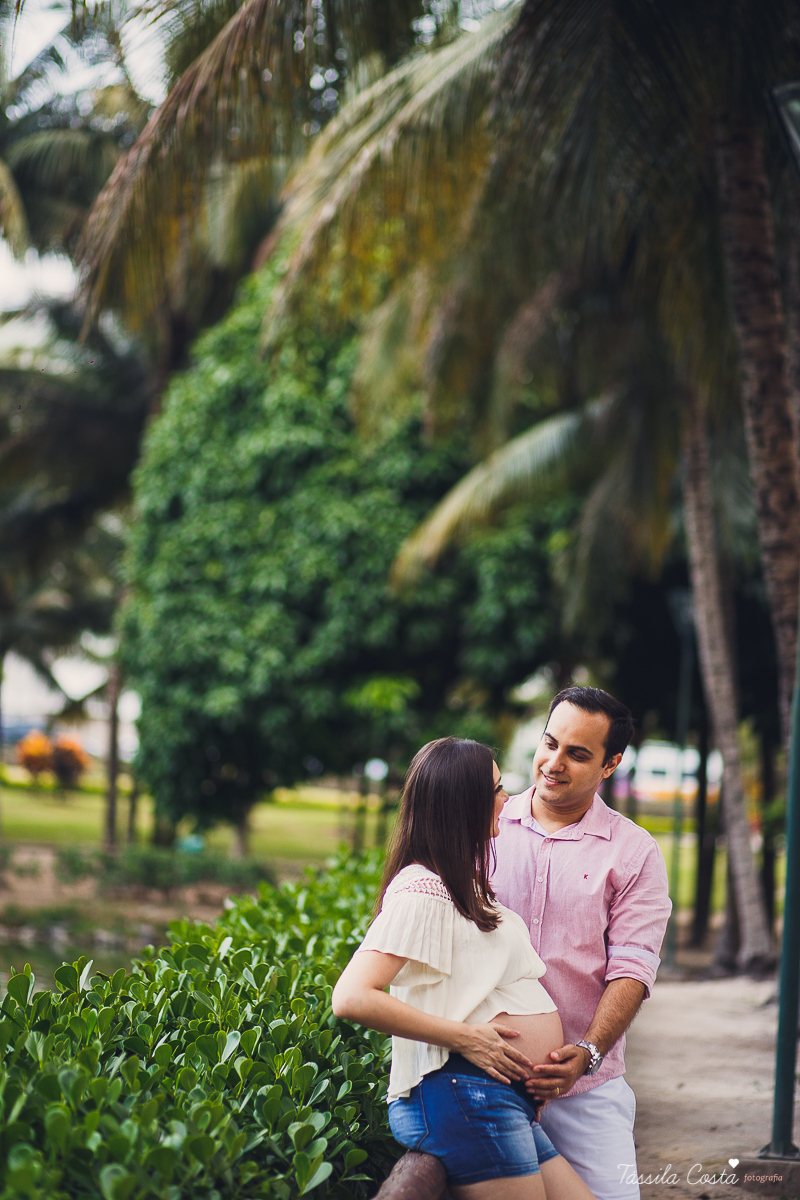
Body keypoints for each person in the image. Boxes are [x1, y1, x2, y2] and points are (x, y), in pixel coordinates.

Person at [332, 736, 597, 1200]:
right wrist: (466, 1037)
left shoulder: (461, 885)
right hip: (462, 1094)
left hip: (491, 1097)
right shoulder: (422, 891)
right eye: (496, 790)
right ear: (465, 805)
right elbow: (352, 997)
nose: (508, 800)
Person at [492, 686, 672, 1200]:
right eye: (549, 744)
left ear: (610, 764)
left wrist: (588, 1053)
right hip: (485, 1079)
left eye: (577, 754)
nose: (554, 763)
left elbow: (633, 967)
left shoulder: (635, 852)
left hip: (587, 1090)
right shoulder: (486, 827)